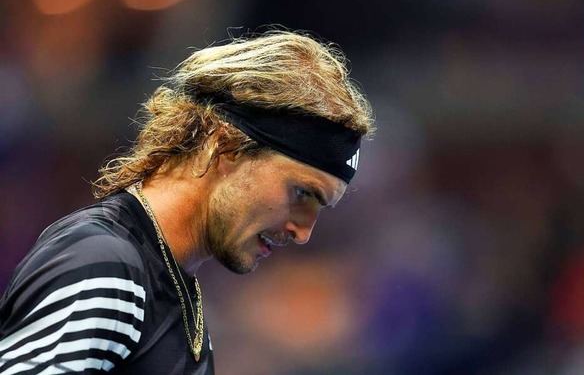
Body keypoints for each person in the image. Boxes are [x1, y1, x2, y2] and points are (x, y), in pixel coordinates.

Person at [0, 30, 375, 374]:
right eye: (301, 193)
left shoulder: (170, 287)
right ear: (224, 145)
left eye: (319, 207)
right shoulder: (108, 266)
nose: (303, 232)